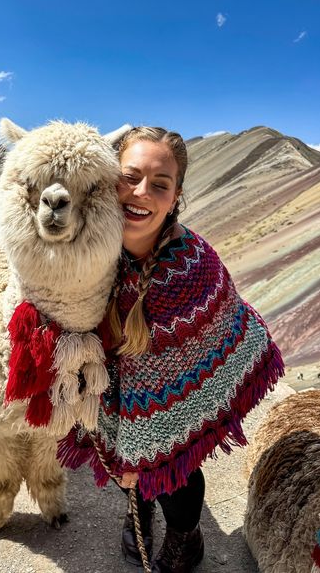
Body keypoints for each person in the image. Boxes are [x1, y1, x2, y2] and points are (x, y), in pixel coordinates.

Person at [57, 126, 284, 572]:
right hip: (116, 386)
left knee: (173, 473)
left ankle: (186, 537)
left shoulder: (188, 269)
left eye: (159, 184)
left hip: (181, 397)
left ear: (176, 193)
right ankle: (137, 508)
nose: (141, 192)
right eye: (130, 177)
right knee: (121, 457)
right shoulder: (91, 250)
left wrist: (144, 455)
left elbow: (168, 371)